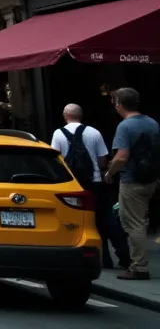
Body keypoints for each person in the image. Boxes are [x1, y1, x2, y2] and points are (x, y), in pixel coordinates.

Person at [51, 103, 129, 269]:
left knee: (80, 221)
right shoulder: (94, 132)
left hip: (73, 185)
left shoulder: (58, 133)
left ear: (65, 116)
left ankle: (101, 258)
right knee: (106, 219)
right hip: (95, 182)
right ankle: (124, 256)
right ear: (81, 116)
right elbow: (102, 160)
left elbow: (56, 161)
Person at [105, 87, 159, 281]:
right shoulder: (152, 123)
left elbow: (121, 157)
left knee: (134, 224)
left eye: (114, 102)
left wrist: (110, 173)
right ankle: (139, 264)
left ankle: (139, 267)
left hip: (132, 180)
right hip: (150, 179)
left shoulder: (125, 127)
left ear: (119, 105)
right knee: (142, 221)